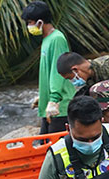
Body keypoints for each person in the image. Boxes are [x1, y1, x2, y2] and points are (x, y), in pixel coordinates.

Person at [22, 1, 75, 134]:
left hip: (60, 106)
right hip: (50, 104)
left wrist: (54, 99)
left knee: (56, 149)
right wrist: (43, 96)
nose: (29, 26)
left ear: (40, 22)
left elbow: (59, 71)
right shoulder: (47, 40)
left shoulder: (57, 39)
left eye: (30, 22)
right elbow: (48, 73)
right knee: (44, 146)